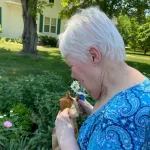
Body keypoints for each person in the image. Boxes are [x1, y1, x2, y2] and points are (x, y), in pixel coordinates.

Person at [55, 6, 150, 150]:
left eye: (71, 66)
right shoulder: (136, 86)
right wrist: (94, 113)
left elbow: (115, 123)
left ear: (94, 56)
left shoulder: (118, 122)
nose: (72, 75)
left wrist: (65, 138)